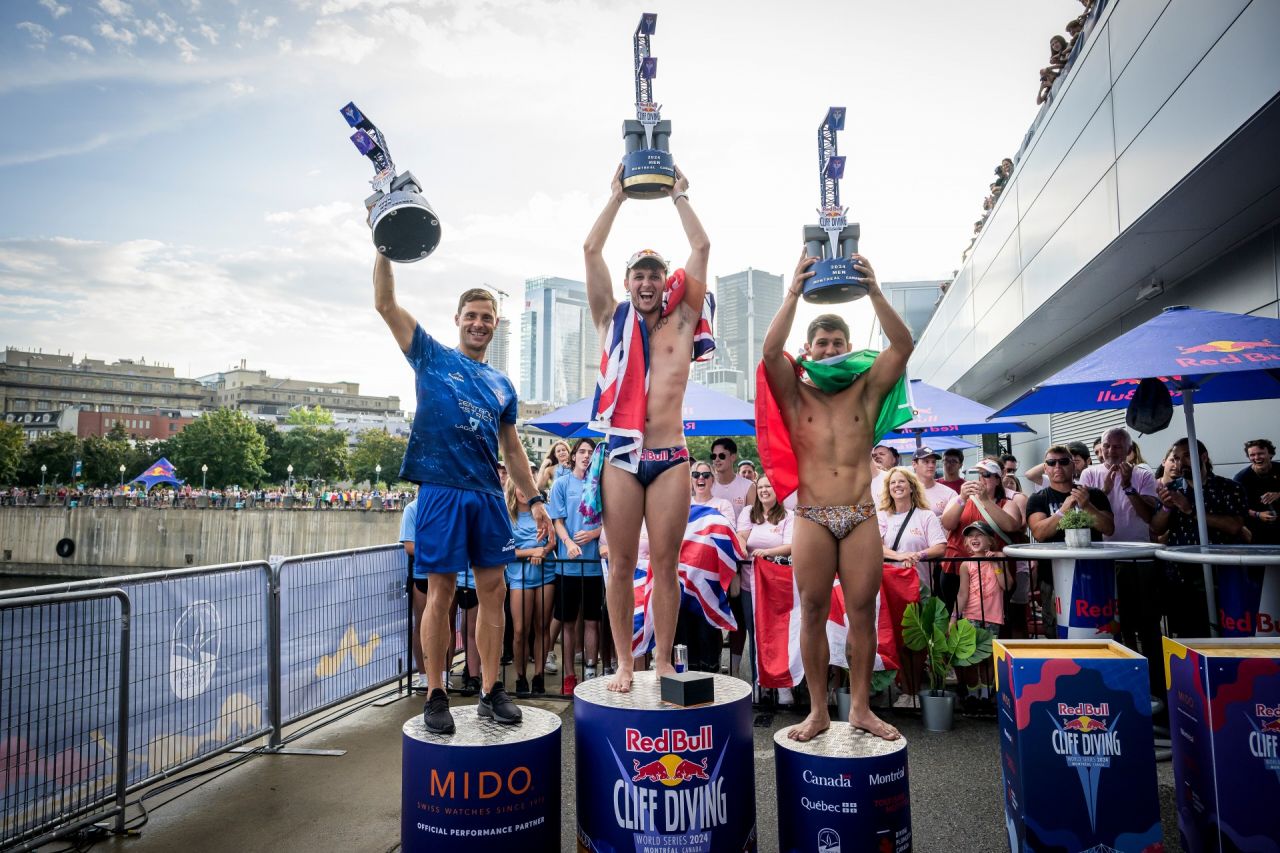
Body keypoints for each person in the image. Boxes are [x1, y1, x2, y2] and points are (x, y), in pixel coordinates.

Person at [373, 254, 550, 735]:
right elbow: (386, 303)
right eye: (471, 316)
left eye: (486, 318)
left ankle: (492, 691)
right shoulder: (431, 355)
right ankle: (436, 694)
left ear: (495, 326)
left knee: (495, 590)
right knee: (442, 592)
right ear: (457, 320)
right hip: (441, 491)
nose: (478, 323)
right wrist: (386, 247)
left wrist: (535, 500)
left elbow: (512, 448)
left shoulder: (502, 385)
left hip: (488, 494)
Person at [760, 250, 913, 742]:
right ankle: (819, 710)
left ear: (850, 345)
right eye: (821, 342)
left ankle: (863, 708)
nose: (829, 349)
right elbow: (769, 354)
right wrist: (792, 293)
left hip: (860, 513)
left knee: (864, 610)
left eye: (837, 341)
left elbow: (902, 345)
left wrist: (873, 290)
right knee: (812, 610)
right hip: (811, 514)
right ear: (808, 348)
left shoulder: (867, 391)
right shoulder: (795, 395)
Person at [584, 163, 712, 693]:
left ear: (665, 283)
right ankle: (621, 662)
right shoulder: (608, 318)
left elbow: (701, 248)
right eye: (638, 275)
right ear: (628, 281)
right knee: (617, 567)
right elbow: (591, 252)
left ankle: (661, 660)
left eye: (655, 275)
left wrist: (681, 194)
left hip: (668, 457)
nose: (646, 282)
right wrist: (614, 196)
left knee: (666, 565)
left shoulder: (683, 321)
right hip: (620, 454)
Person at [1151, 438, 1248, 636]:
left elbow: (1234, 526)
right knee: (1188, 635)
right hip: (1180, 574)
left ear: (1203, 457)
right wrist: (1167, 508)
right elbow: (1157, 528)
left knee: (1226, 633)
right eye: (1176, 458)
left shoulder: (1229, 487)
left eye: (1187, 456)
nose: (1180, 463)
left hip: (1221, 573)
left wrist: (1190, 510)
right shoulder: (1172, 488)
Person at [549, 437, 603, 693]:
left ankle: (591, 670)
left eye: (590, 452)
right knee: (568, 622)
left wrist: (594, 534)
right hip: (567, 566)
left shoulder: (600, 484)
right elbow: (557, 521)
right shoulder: (561, 484)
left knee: (593, 620)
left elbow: (612, 521)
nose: (586, 456)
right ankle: (569, 676)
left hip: (594, 565)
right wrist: (568, 542)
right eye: (581, 451)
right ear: (573, 456)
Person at [940, 460, 1024, 612]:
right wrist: (962, 498)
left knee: (993, 617)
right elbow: (947, 524)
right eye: (977, 475)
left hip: (992, 571)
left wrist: (985, 500)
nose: (981, 479)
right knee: (955, 616)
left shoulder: (1007, 503)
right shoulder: (960, 500)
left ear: (998, 479)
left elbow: (1011, 526)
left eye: (986, 475)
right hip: (957, 569)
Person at [734, 474, 793, 688]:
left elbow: (790, 545)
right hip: (750, 585)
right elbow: (742, 536)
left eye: (769, 486)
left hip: (776, 584)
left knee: (777, 631)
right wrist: (741, 546)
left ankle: (782, 683)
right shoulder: (749, 512)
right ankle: (759, 682)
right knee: (754, 632)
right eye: (760, 487)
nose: (764, 490)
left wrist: (766, 552)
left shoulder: (789, 515)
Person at [504, 472, 556, 698]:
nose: (524, 492)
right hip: (519, 578)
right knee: (519, 630)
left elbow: (553, 541)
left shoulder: (543, 513)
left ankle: (539, 675)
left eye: (528, 487)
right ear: (513, 490)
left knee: (541, 627)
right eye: (520, 487)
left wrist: (543, 551)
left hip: (545, 574)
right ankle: (520, 676)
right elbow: (506, 551)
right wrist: (530, 552)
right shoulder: (508, 517)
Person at [952, 521, 1011, 712]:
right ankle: (972, 694)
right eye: (970, 536)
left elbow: (1006, 585)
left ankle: (986, 695)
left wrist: (997, 563)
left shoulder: (997, 561)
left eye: (979, 535)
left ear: (990, 541)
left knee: (987, 658)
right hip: (971, 615)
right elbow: (962, 593)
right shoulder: (966, 564)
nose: (974, 539)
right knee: (970, 657)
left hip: (993, 616)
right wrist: (954, 617)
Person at [1026, 446, 1114, 543]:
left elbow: (1109, 529)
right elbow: (1039, 534)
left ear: (1073, 466)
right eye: (1051, 462)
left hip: (1090, 556)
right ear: (1045, 469)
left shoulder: (1095, 494)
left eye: (1063, 461)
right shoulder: (1038, 498)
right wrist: (1063, 511)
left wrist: (1087, 506)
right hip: (1054, 557)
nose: (1057, 466)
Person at [879, 467, 947, 589]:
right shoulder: (882, 515)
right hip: (889, 586)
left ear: (911, 487)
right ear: (888, 489)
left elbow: (940, 547)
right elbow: (876, 547)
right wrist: (899, 556)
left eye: (901, 481)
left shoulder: (926, 515)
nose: (897, 485)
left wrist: (918, 555)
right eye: (892, 483)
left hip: (919, 586)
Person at [399, 496, 427, 691]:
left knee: (445, 624)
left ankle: (443, 672)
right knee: (422, 624)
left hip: (445, 573)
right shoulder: (412, 509)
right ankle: (424, 674)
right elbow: (409, 546)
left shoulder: (445, 506)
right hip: (422, 575)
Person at [1235, 439, 1279, 544]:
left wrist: (1278, 494)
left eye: (1260, 454)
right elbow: (1237, 507)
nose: (1256, 458)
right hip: (1256, 530)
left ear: (1271, 454)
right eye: (1252, 455)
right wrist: (1258, 514)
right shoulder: (1241, 478)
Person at [710, 438, 754, 519]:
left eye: (721, 456)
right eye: (713, 456)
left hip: (740, 531)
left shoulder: (748, 487)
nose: (717, 459)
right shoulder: (707, 485)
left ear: (733, 457)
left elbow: (752, 520)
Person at [912, 447, 956, 517]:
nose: (931, 465)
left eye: (933, 462)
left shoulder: (949, 494)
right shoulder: (905, 492)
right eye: (926, 462)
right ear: (914, 464)